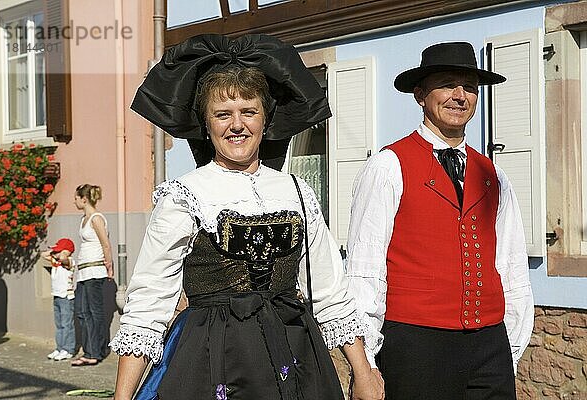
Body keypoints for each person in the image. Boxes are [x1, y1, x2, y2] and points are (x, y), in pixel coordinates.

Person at [109, 34, 384, 400]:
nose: (236, 125)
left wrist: (363, 371)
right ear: (207, 126)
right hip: (213, 359)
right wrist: (122, 397)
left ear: (265, 120)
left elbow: (331, 292)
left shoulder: (296, 190)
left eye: (248, 112)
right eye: (223, 115)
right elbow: (149, 302)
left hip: (296, 353)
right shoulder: (185, 195)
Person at [346, 42, 534, 399]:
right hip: (416, 345)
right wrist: (366, 360)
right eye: (447, 84)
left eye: (469, 87)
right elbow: (365, 267)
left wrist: (507, 346)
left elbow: (511, 265)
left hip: (489, 343)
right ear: (420, 94)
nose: (459, 96)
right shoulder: (389, 166)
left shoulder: (493, 174)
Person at [71, 184, 114, 367]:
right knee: (82, 312)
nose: (74, 201)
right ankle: (89, 350)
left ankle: (95, 352)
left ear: (84, 199)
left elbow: (106, 244)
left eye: (76, 198)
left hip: (95, 271)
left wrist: (109, 267)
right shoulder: (84, 219)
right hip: (83, 272)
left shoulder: (96, 218)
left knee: (95, 313)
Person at [41, 237, 76, 361]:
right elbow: (43, 255)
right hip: (56, 295)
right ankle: (60, 347)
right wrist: (54, 252)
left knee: (67, 324)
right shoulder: (55, 261)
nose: (56, 253)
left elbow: (64, 259)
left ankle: (68, 349)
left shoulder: (70, 261)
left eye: (59, 250)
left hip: (66, 297)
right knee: (59, 324)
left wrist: (62, 253)